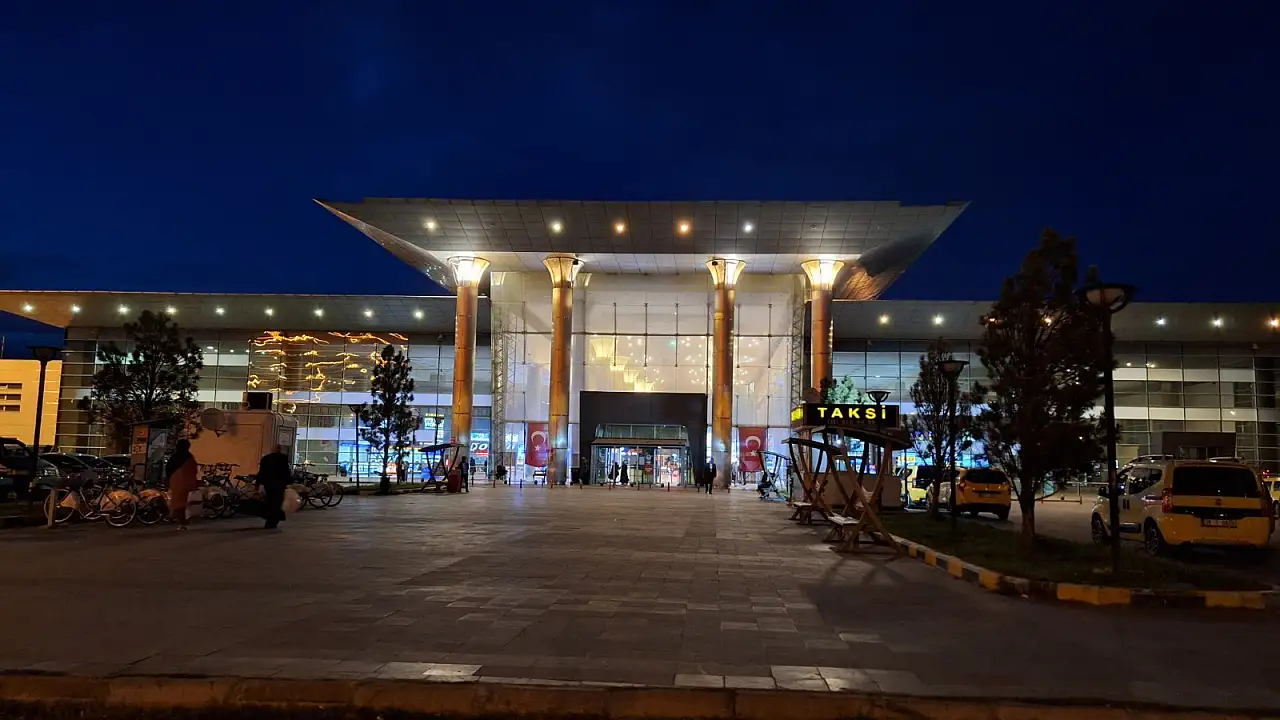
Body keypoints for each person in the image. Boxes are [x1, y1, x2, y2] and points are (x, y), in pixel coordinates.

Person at [164, 439, 199, 530]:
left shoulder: (174, 457)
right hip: (185, 483)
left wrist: (168, 480)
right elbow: (193, 471)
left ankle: (181, 521)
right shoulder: (189, 457)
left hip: (175, 482)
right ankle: (182, 521)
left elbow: (168, 469)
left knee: (177, 502)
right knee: (181, 503)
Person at [257, 444, 291, 529]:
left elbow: (262, 471)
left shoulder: (265, 458)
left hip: (268, 484)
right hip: (279, 484)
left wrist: (258, 483)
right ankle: (273, 521)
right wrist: (288, 482)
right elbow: (286, 471)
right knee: (277, 503)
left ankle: (270, 520)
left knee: (270, 502)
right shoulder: (283, 458)